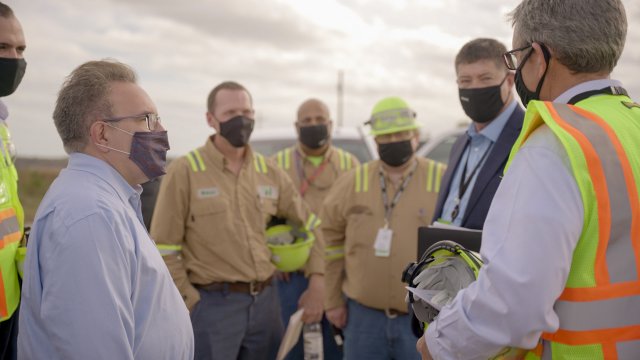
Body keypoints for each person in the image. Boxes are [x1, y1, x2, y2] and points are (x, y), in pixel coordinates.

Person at [418, 0, 639, 359]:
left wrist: (439, 344)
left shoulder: (554, 144)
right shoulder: (631, 124)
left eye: (515, 57)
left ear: (538, 56)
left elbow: (513, 304)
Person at [17, 60, 194, 359]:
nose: (161, 130)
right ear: (101, 135)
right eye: (147, 120)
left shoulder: (107, 201)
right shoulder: (90, 216)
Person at [151, 81, 322, 359]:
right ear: (211, 119)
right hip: (213, 308)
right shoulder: (185, 171)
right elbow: (164, 248)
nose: (241, 119)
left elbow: (310, 225)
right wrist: (191, 301)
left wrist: (318, 281)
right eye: (231, 113)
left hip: (267, 305)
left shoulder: (270, 171)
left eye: (246, 111)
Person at [322, 97, 445, 359]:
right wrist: (332, 301)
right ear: (375, 140)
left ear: (415, 134)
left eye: (401, 133)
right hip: (363, 319)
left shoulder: (442, 179)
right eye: (385, 136)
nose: (393, 141)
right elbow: (330, 242)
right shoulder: (352, 181)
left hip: (423, 321)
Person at [272, 98, 359, 359]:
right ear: (297, 126)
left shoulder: (351, 166)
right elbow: (264, 218)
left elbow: (357, 224)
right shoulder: (276, 164)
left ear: (330, 124)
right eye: (307, 121)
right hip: (288, 277)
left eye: (319, 120)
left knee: (339, 351)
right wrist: (274, 259)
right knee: (287, 350)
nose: (314, 125)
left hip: (339, 277)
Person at [431, 38, 524, 230]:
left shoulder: (528, 137)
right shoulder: (460, 144)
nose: (474, 88)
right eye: (466, 81)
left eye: (485, 79)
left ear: (509, 81)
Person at [0, 3, 26, 360]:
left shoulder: (2, 128)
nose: (15, 59)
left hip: (7, 302)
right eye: (2, 48)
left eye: (20, 50)